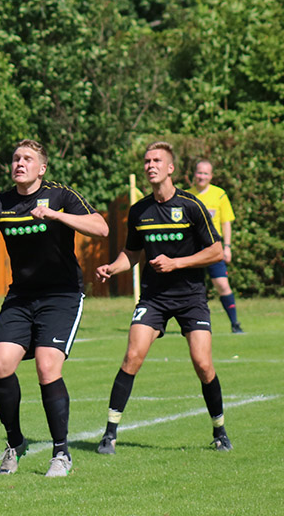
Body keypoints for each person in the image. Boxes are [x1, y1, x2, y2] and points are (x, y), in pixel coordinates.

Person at [0, 140, 108, 477]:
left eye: (27, 159)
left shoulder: (61, 196)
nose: (20, 163)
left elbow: (101, 228)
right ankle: (15, 443)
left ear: (42, 168)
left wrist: (56, 215)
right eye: (15, 158)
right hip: (21, 296)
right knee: (0, 365)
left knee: (46, 366)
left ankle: (61, 453)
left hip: (62, 295)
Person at [95, 142, 230, 455]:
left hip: (190, 297)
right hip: (154, 298)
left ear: (171, 168)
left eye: (157, 160)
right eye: (146, 161)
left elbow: (215, 251)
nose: (150, 165)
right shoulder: (139, 210)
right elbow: (131, 254)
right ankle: (109, 434)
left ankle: (219, 430)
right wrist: (112, 268)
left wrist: (177, 263)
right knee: (132, 356)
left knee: (203, 364)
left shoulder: (191, 206)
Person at [189, 159, 243, 334]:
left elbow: (226, 222)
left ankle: (235, 324)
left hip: (213, 247)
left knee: (221, 284)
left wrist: (227, 247)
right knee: (188, 287)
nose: (202, 176)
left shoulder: (219, 194)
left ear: (211, 176)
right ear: (194, 174)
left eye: (205, 173)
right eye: (199, 172)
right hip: (192, 248)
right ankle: (188, 325)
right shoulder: (186, 195)